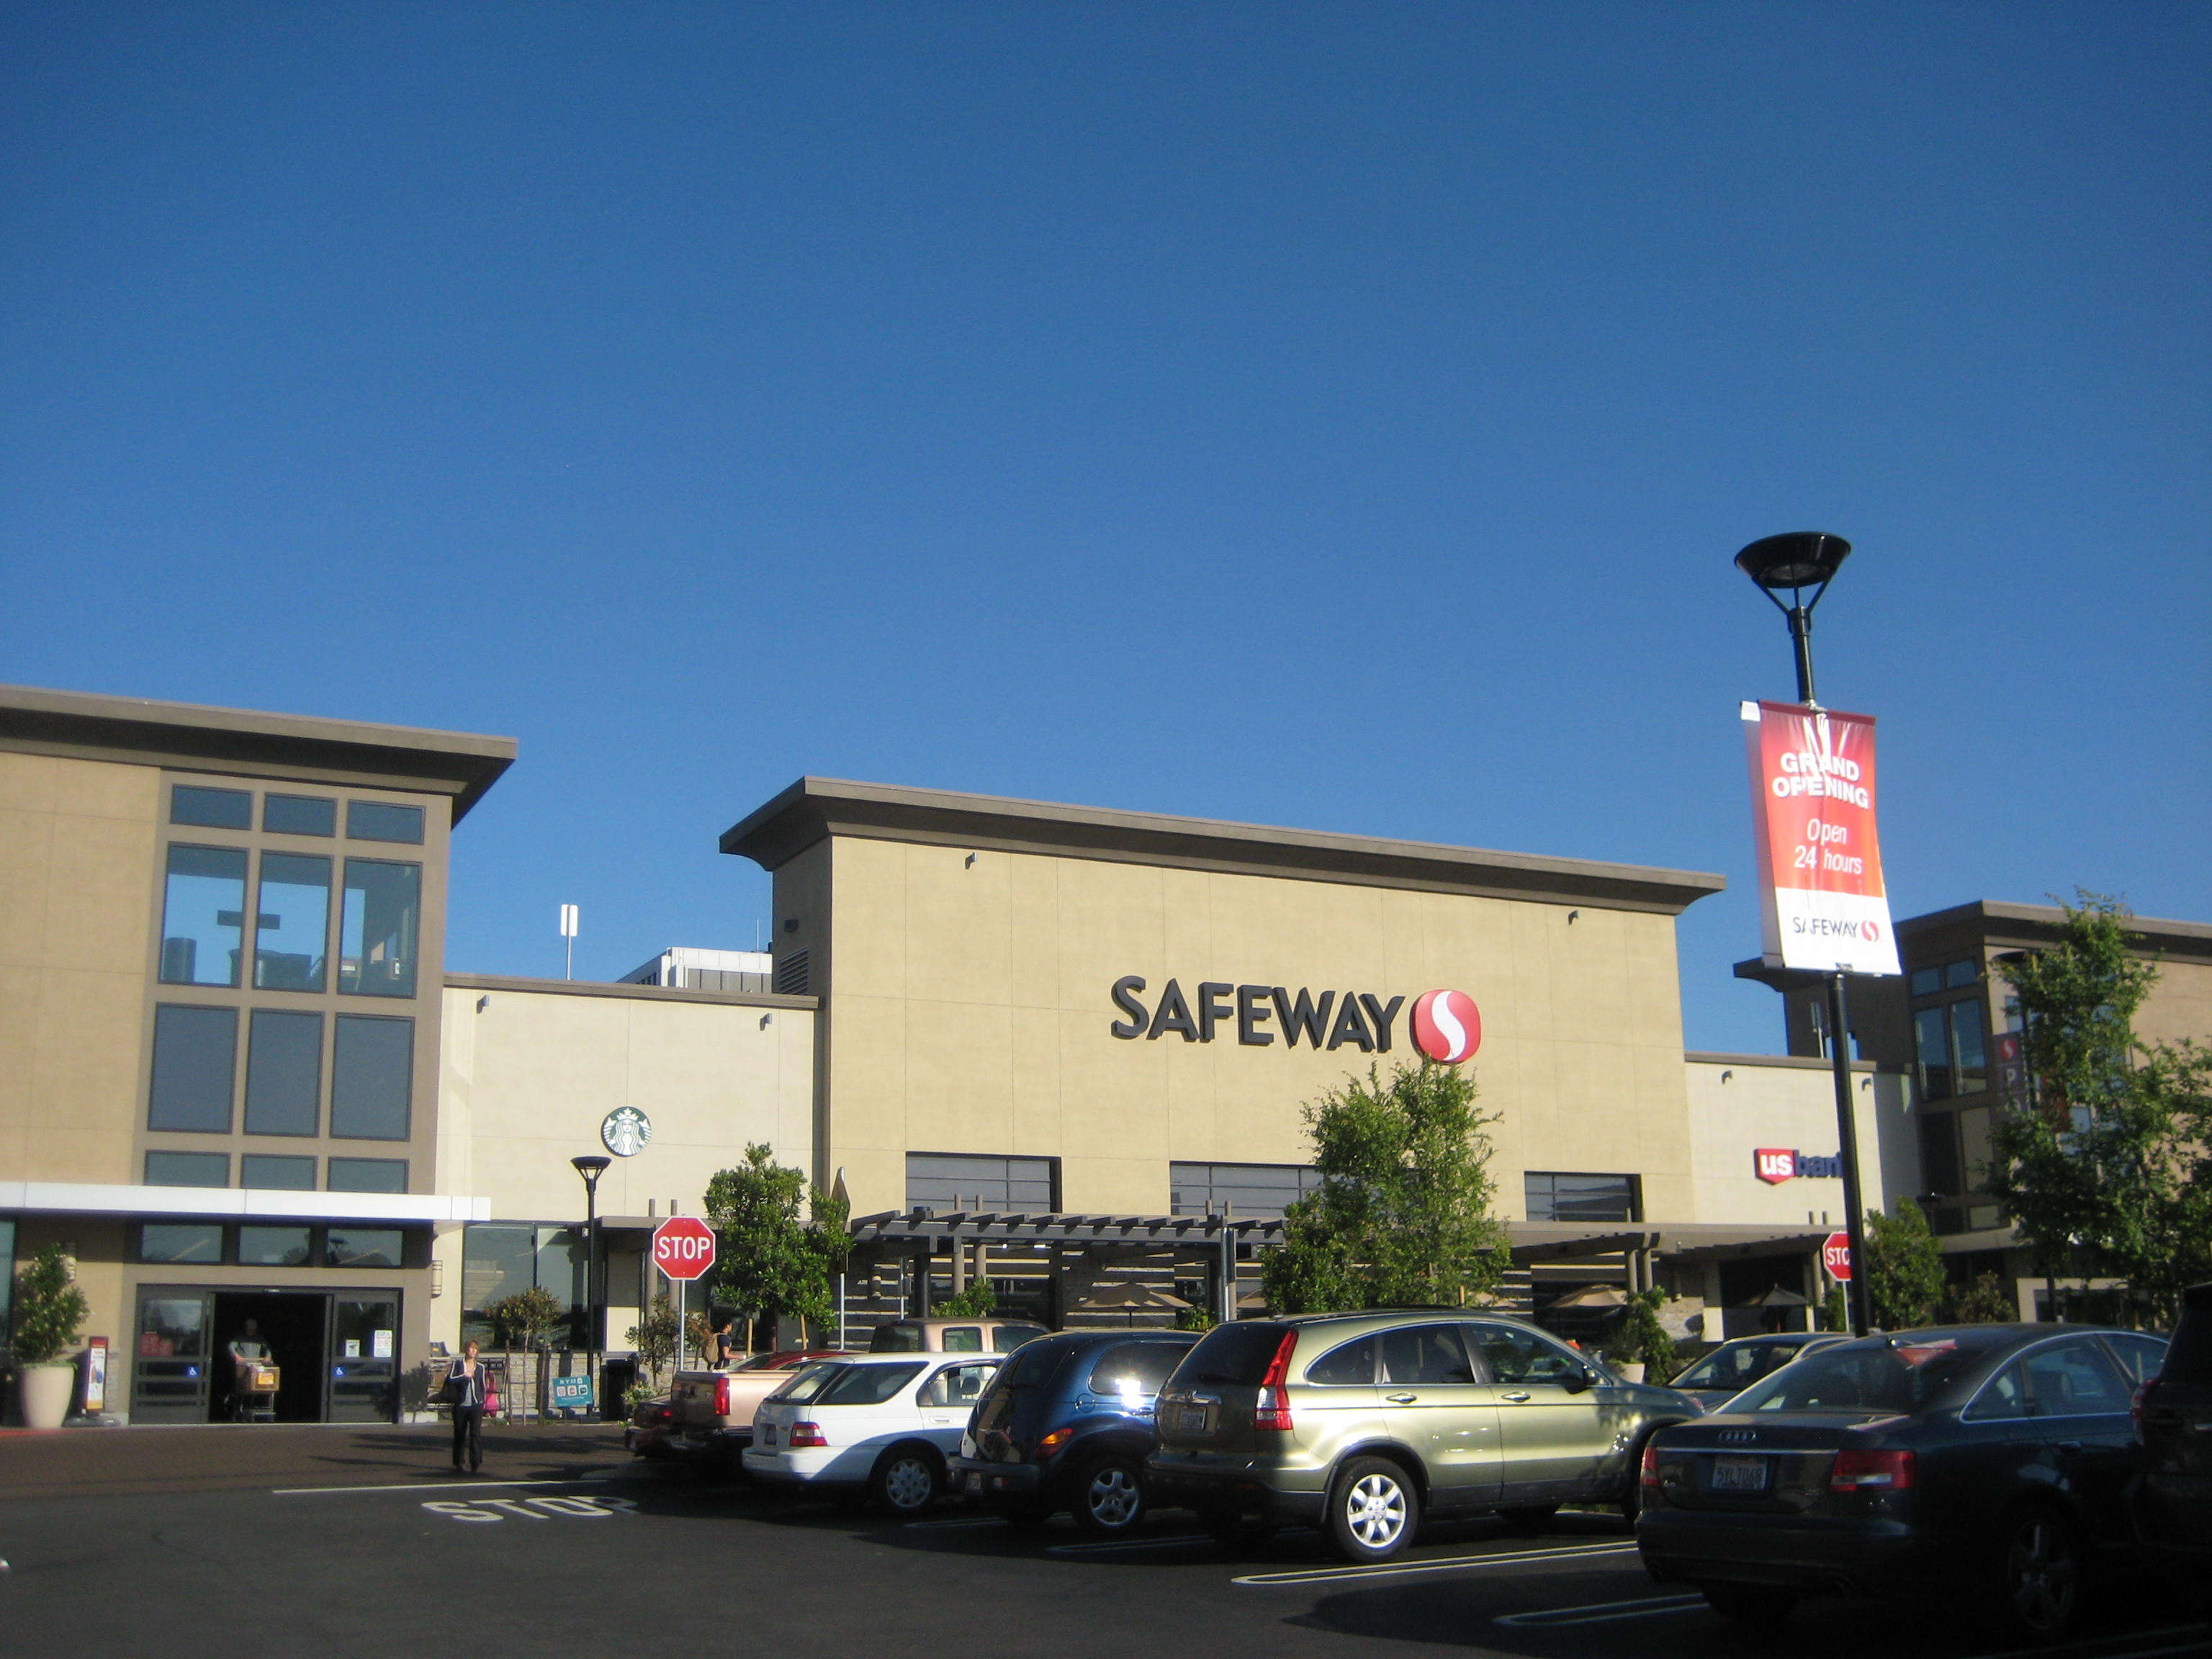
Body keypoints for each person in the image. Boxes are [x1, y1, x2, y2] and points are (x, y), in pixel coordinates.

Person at [446, 1339, 490, 1472]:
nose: (473, 1351)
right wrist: (465, 1376)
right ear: (466, 1350)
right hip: (461, 1404)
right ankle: (459, 1462)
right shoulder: (458, 1365)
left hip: (476, 1405)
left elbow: (483, 1386)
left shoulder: (480, 1367)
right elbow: (451, 1380)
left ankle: (475, 1461)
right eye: (471, 1349)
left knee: (475, 1433)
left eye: (475, 1349)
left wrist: (483, 1402)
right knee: (460, 1433)